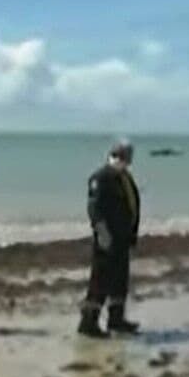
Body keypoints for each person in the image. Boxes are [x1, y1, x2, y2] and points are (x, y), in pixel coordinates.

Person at [78, 141, 142, 338]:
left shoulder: (124, 178)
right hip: (106, 239)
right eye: (126, 155)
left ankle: (117, 320)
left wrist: (132, 236)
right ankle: (88, 323)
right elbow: (94, 209)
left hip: (122, 239)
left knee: (119, 282)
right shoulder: (101, 177)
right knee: (100, 282)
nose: (129, 159)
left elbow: (132, 206)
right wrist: (103, 233)